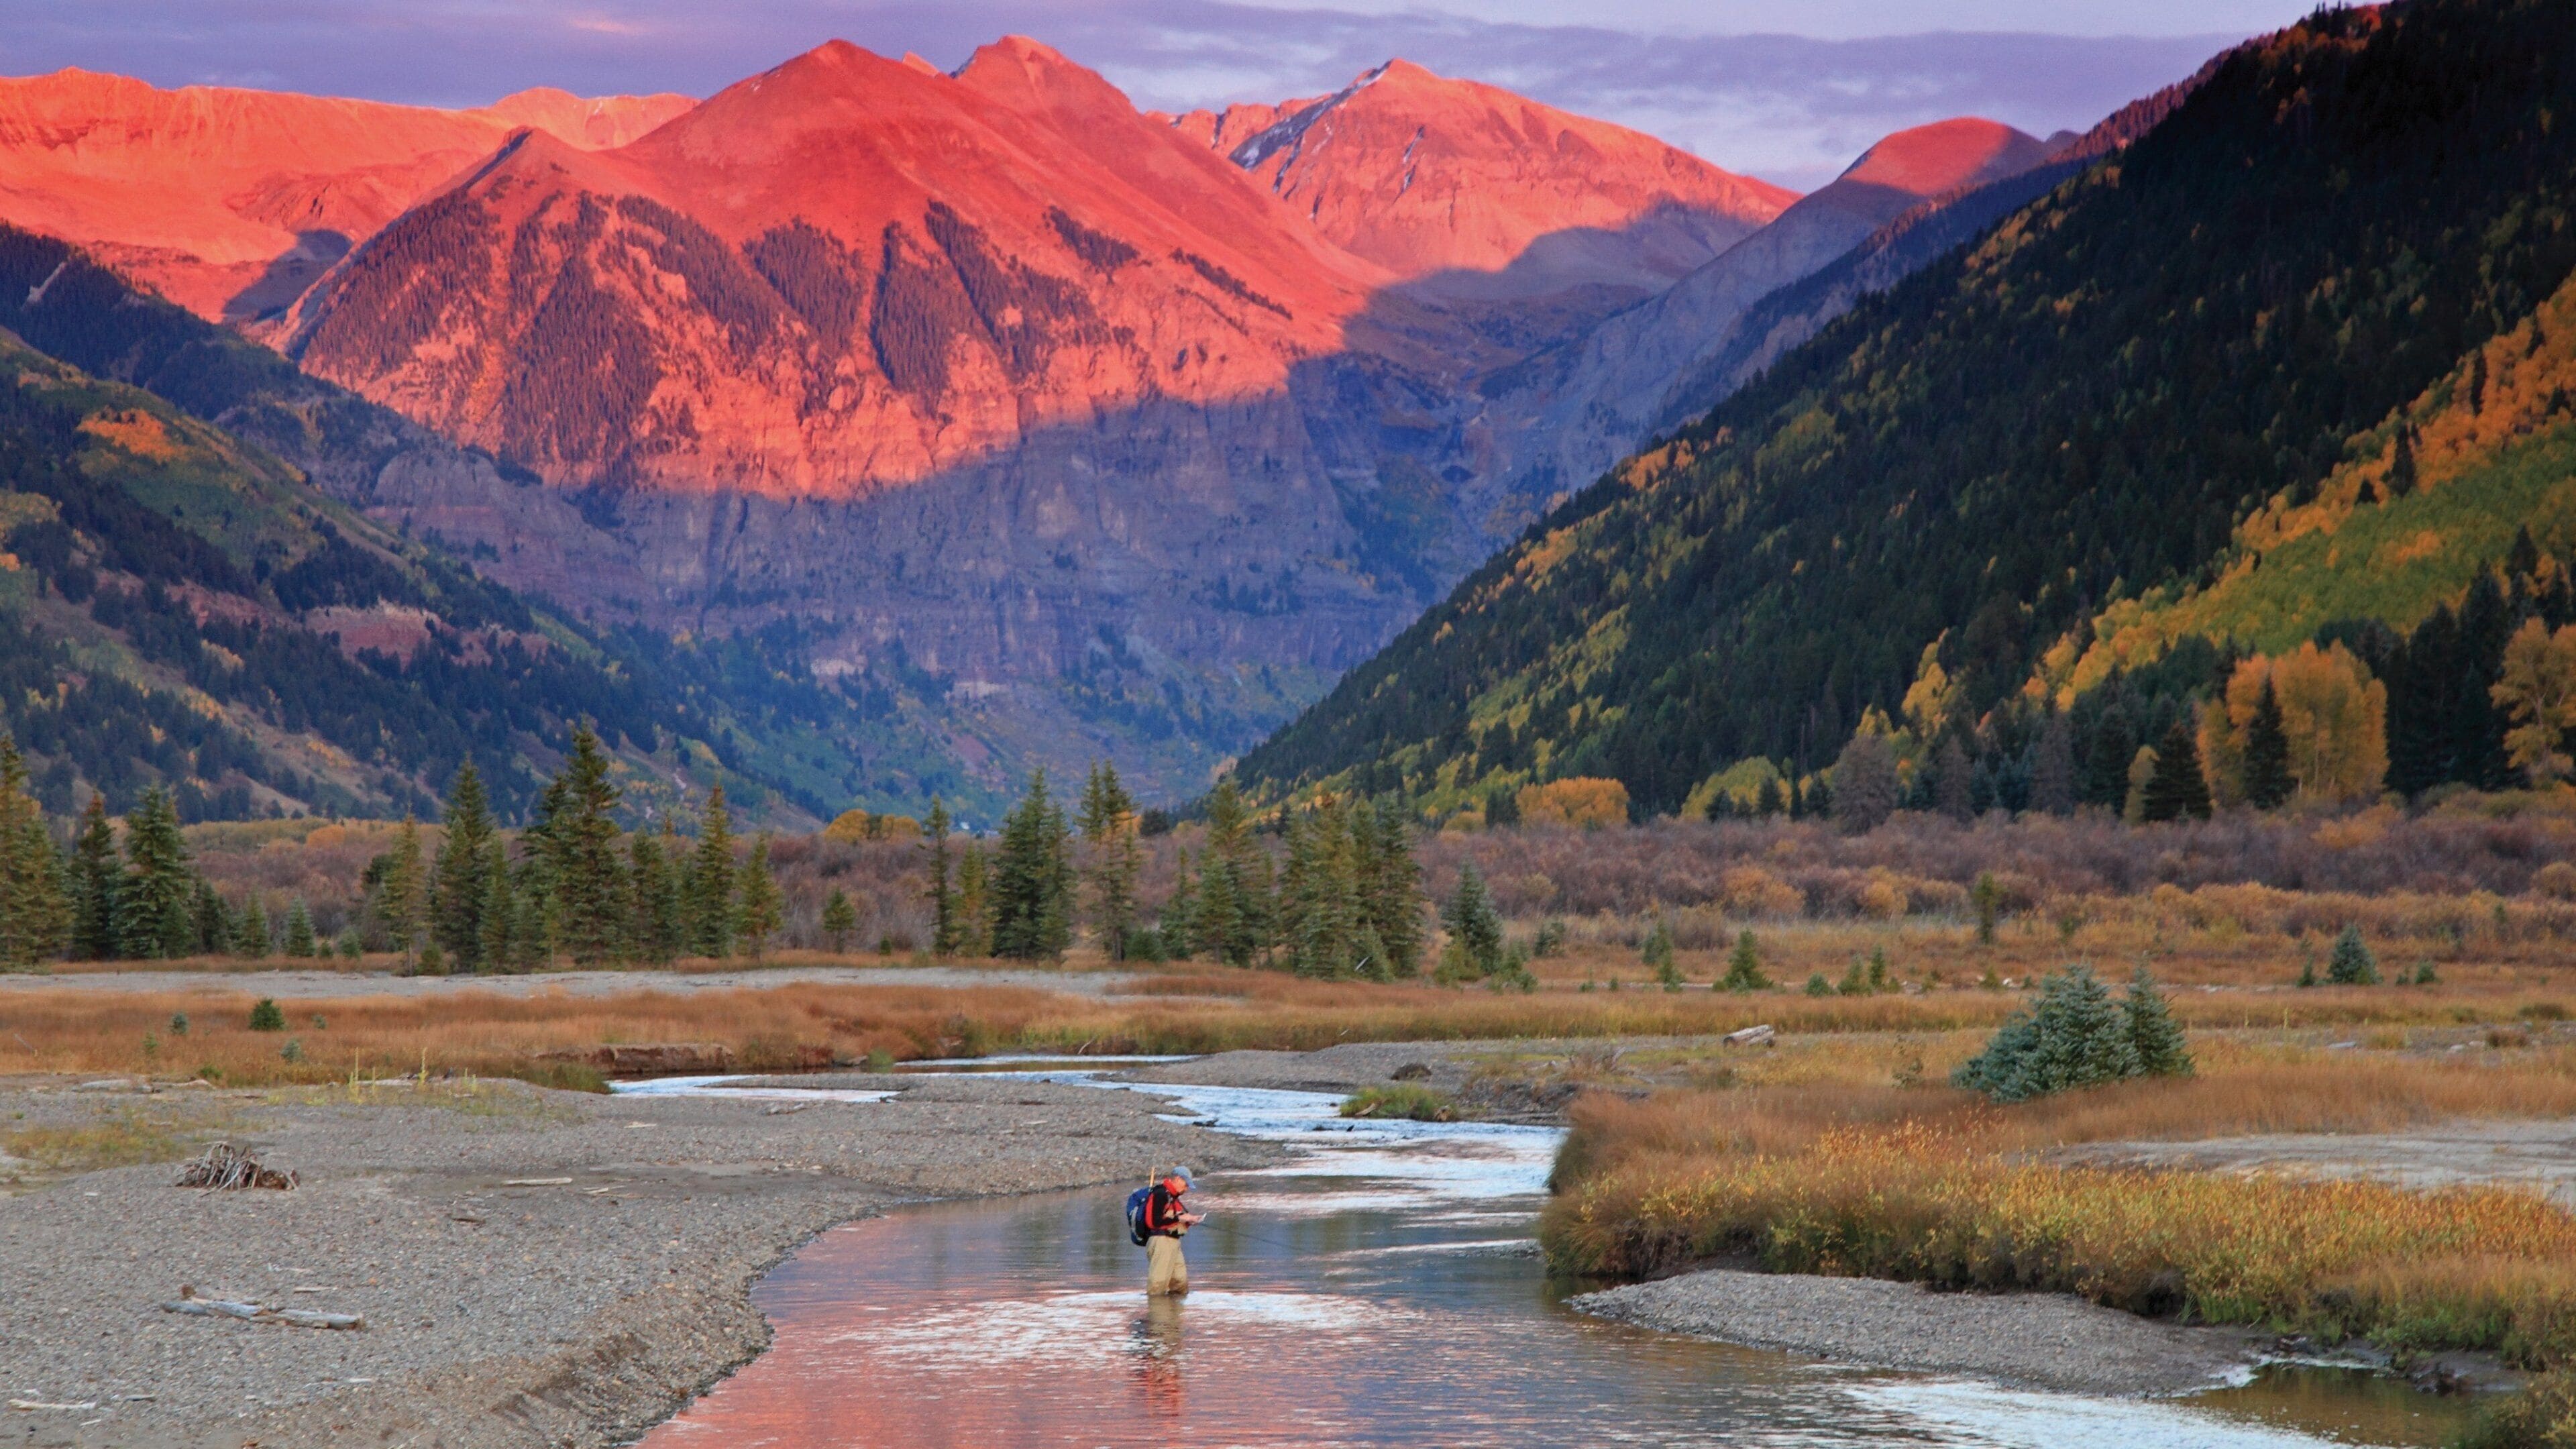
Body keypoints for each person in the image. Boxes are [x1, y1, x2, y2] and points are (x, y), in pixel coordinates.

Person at [1142, 1166, 1203, 1295]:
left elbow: (1175, 1220)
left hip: (1174, 1243)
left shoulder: (1174, 1198)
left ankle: (1174, 1314)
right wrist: (1181, 1218)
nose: (1186, 1189)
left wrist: (1189, 1220)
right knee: (1158, 1286)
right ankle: (1157, 1313)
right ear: (1178, 1179)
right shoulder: (1160, 1194)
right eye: (1186, 1185)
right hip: (1161, 1242)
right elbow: (1154, 1222)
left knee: (1180, 1284)